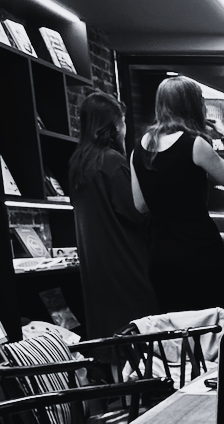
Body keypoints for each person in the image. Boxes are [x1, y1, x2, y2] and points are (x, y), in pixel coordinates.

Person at [130, 75, 224, 313]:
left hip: (161, 255)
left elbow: (141, 205)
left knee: (176, 326)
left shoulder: (138, 150)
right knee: (215, 322)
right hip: (199, 250)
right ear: (193, 104)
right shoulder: (194, 144)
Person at [67, 91, 158, 336]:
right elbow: (137, 212)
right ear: (114, 125)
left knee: (109, 335)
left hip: (97, 268)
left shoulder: (79, 164)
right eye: (123, 121)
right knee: (138, 332)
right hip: (126, 262)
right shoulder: (111, 162)